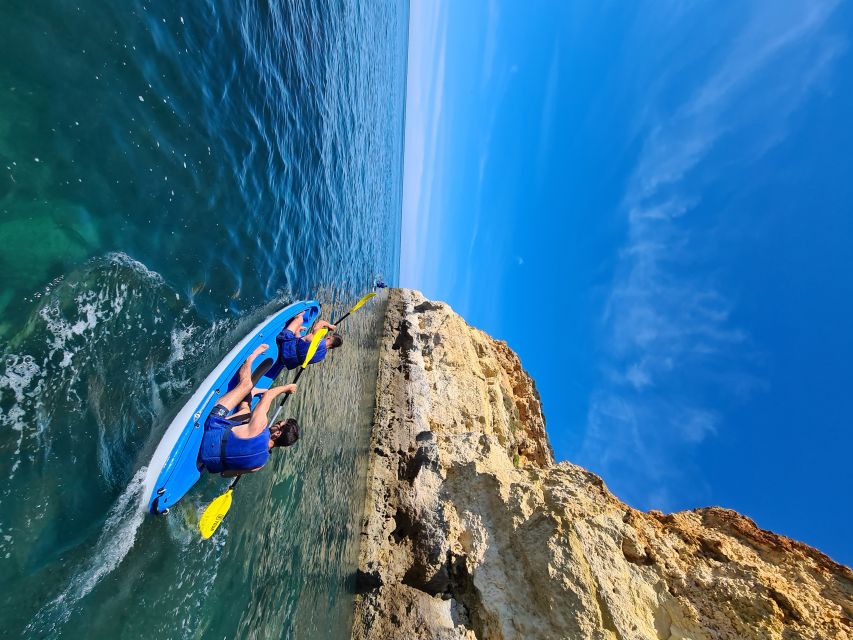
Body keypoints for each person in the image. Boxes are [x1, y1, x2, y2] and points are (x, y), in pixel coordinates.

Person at [198, 344, 300, 476]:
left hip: (211, 427)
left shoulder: (260, 426)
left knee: (246, 385)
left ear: (277, 434)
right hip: (207, 461)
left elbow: (269, 395)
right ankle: (250, 396)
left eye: (278, 424)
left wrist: (287, 388)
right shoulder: (259, 464)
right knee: (247, 415)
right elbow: (225, 474)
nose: (274, 424)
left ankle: (250, 359)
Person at [275, 311, 343, 370]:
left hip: (283, 346)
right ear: (332, 347)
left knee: (300, 319)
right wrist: (297, 332)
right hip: (284, 361)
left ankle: (297, 319)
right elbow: (301, 348)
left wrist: (329, 326)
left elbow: (321, 322)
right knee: (301, 337)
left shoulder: (316, 338)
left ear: (329, 337)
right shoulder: (321, 357)